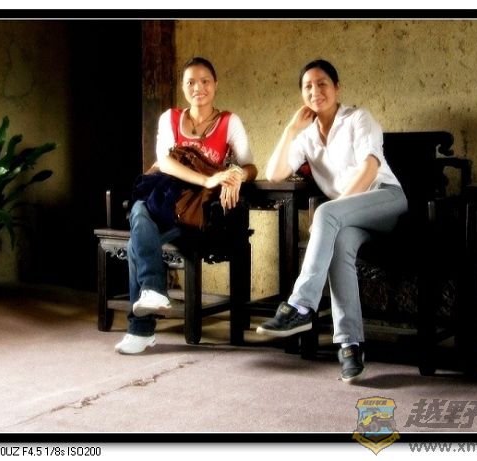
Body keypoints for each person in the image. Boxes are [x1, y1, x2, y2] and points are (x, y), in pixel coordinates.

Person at [256, 59, 407, 383]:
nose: (315, 91)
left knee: (326, 212)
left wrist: (335, 210)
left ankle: (300, 306)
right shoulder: (306, 136)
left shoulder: (358, 118)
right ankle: (350, 346)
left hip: (386, 200)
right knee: (339, 247)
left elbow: (370, 167)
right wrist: (290, 129)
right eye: (307, 86)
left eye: (322, 83)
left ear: (337, 87)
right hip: (348, 219)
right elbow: (275, 173)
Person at [115, 57, 258, 354]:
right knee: (140, 211)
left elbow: (250, 166)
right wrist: (207, 179)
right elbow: (165, 162)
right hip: (165, 198)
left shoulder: (229, 121)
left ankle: (143, 324)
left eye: (205, 81)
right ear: (182, 87)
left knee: (137, 234)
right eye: (190, 82)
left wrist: (235, 175)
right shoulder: (170, 118)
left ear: (215, 85)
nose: (198, 88)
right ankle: (151, 298)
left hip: (196, 209)